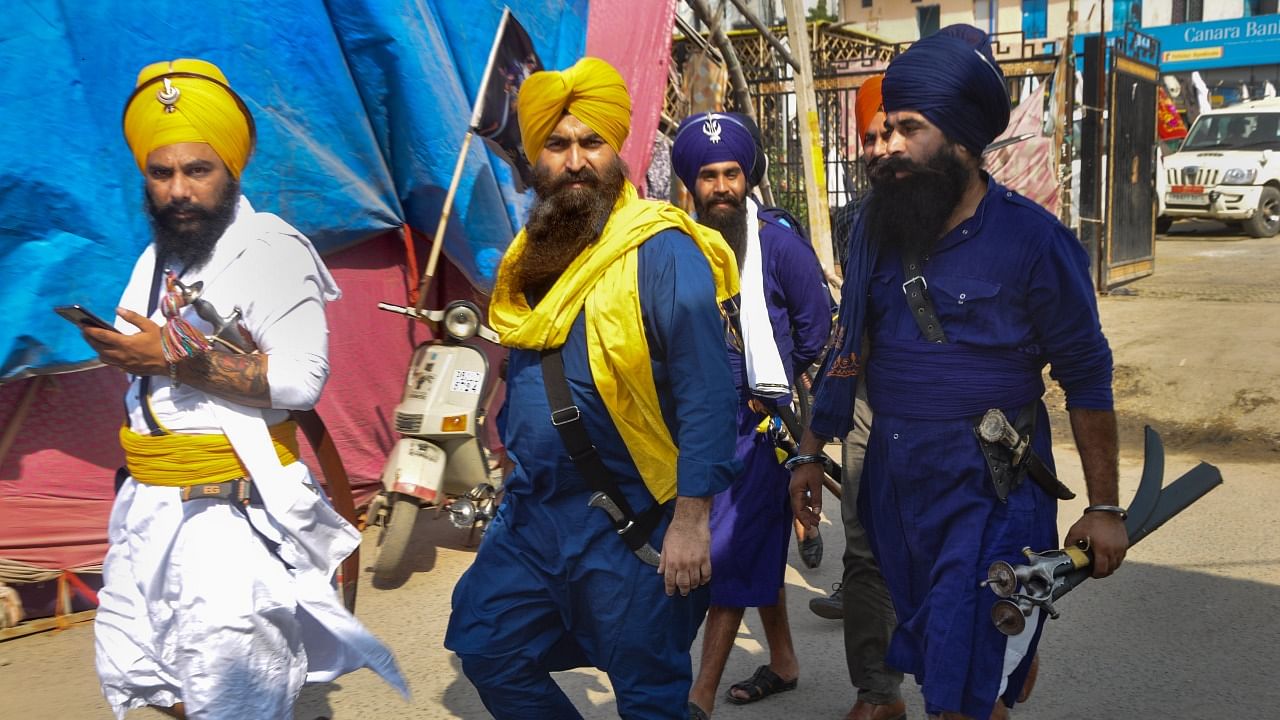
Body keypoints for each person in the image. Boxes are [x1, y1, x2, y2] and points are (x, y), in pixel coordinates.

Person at [789, 26, 1127, 720]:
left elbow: (1089, 379)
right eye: (882, 132)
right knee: (947, 665)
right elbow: (848, 352)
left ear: (963, 143)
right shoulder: (879, 233)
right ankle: (1003, 666)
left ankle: (997, 669)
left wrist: (1102, 506)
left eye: (907, 130)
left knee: (960, 689)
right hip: (897, 497)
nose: (883, 147)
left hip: (991, 495)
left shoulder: (1036, 243)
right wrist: (808, 452)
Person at [83, 58, 405, 718]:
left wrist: (171, 356)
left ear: (232, 169)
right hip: (150, 510)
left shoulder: (269, 248)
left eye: (196, 171)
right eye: (161, 171)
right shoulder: (156, 257)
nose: (178, 190)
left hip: (229, 519)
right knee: (142, 666)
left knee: (236, 693)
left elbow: (300, 381)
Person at [443, 57, 742, 719]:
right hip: (533, 515)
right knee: (486, 644)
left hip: (629, 518)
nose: (575, 160)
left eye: (591, 142)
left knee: (648, 694)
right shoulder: (536, 250)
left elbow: (708, 394)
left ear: (617, 151)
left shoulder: (661, 251)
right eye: (557, 144)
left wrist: (693, 523)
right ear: (534, 159)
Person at [670, 111, 832, 717]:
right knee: (757, 542)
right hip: (696, 424)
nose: (721, 186)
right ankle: (785, 661)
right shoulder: (676, 248)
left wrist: (809, 442)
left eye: (731, 173)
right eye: (708, 175)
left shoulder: (781, 244)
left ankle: (699, 698)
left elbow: (821, 343)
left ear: (746, 177)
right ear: (692, 184)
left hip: (767, 425)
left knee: (732, 546)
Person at [807, 75, 910, 720]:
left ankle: (979, 678)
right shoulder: (869, 219)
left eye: (892, 134)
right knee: (867, 547)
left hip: (967, 413)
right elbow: (853, 332)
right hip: (877, 404)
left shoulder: (1006, 223)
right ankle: (877, 692)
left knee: (963, 549)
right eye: (869, 136)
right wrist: (814, 444)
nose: (876, 149)